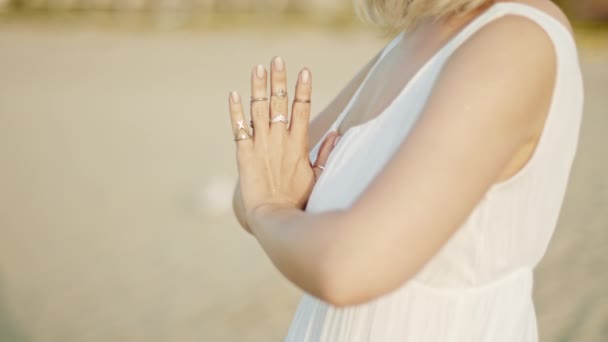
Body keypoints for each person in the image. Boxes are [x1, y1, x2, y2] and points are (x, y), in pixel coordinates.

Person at [227, 0, 583, 340]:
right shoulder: (413, 39)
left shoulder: (514, 40)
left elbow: (347, 268)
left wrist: (270, 212)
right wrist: (273, 207)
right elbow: (254, 185)